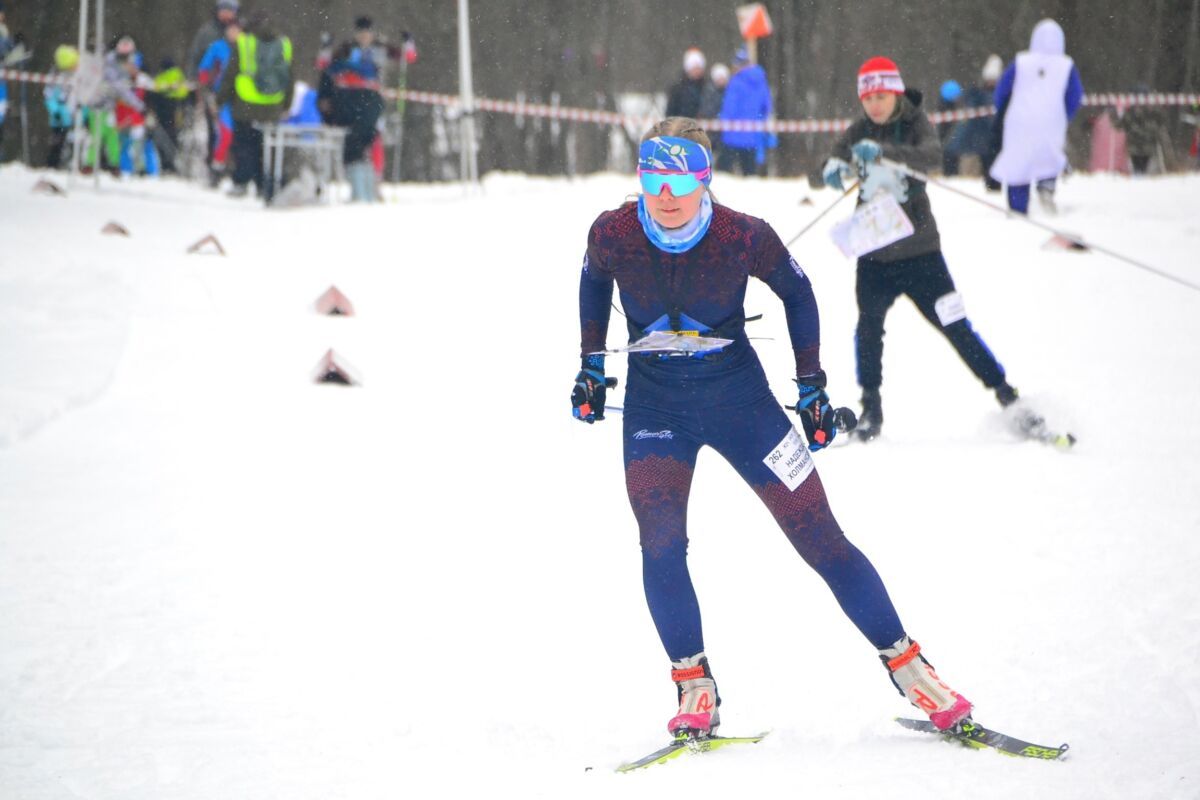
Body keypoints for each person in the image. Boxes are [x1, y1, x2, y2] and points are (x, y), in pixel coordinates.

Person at [572, 116, 975, 739]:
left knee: (820, 537)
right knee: (659, 542)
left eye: (682, 180)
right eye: (655, 179)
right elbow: (594, 279)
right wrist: (591, 365)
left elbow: (799, 291)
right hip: (656, 411)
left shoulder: (742, 235)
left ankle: (911, 668)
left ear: (705, 180)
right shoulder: (615, 231)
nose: (668, 197)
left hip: (742, 405)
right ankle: (693, 684)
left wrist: (811, 385)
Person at [822, 56, 1027, 442]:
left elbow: (934, 156)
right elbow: (820, 170)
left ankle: (1005, 393)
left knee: (954, 324)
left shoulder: (915, 123)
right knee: (868, 330)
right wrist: (831, 167)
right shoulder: (858, 130)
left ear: (895, 94)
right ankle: (871, 406)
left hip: (921, 255)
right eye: (867, 98)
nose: (874, 105)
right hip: (874, 255)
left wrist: (883, 154)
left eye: (881, 96)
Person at [989, 19, 1084, 215]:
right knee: (1048, 156)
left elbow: (1002, 91)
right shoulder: (1066, 65)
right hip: (1051, 121)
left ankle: (1017, 206)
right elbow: (1075, 95)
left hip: (1019, 121)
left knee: (1019, 163)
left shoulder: (1021, 61)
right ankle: (1046, 187)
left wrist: (1003, 112)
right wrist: (1064, 116)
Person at [217, 9, 294, 199]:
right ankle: (264, 183)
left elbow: (230, 74)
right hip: (273, 104)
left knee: (244, 145)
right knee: (266, 147)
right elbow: (289, 76)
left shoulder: (244, 43)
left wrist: (221, 98)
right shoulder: (284, 43)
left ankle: (241, 182)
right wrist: (287, 103)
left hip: (246, 103)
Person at [188, 0, 241, 173]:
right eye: (223, 10)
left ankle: (230, 165)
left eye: (230, 10)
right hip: (212, 90)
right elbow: (197, 58)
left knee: (232, 131)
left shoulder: (242, 34)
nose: (226, 14)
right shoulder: (207, 32)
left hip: (236, 92)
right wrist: (196, 82)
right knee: (214, 130)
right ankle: (213, 165)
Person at [716, 48, 774, 175]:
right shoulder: (761, 82)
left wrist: (722, 123)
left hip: (732, 135)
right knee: (750, 175)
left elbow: (729, 108)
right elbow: (767, 107)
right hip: (752, 136)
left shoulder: (736, 82)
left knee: (722, 174)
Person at [198, 18, 241, 186]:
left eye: (237, 30)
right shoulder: (218, 47)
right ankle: (217, 167)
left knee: (240, 136)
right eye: (231, 30)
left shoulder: (245, 46)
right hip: (222, 96)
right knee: (225, 134)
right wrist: (204, 87)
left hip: (242, 97)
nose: (234, 34)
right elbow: (204, 67)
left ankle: (236, 170)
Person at [1112, 86, 1167, 175]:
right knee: (1143, 167)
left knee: (1137, 167)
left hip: (1135, 145)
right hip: (1147, 145)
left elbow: (1119, 125)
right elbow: (1160, 121)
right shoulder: (1151, 110)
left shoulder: (1130, 111)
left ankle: (1138, 178)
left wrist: (1116, 115)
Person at [44, 45, 79, 169]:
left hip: (73, 118)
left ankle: (71, 164)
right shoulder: (55, 77)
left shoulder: (75, 77)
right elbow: (49, 96)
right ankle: (53, 165)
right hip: (59, 119)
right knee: (57, 143)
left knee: (73, 142)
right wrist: (56, 111)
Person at [665, 48, 707, 119]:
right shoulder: (677, 88)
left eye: (698, 68)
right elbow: (671, 111)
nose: (696, 71)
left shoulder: (707, 87)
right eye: (694, 68)